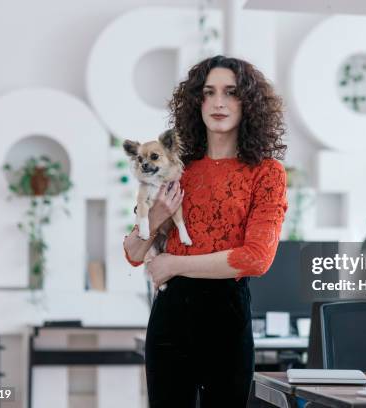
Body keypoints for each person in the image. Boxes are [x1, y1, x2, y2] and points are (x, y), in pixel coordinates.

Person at [123, 55, 288, 408]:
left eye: (230, 92)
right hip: (170, 320)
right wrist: (156, 218)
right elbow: (134, 253)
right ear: (196, 101)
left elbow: (256, 259)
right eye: (208, 92)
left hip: (226, 318)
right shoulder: (175, 169)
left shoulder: (266, 173)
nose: (218, 102)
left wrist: (174, 265)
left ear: (248, 103)